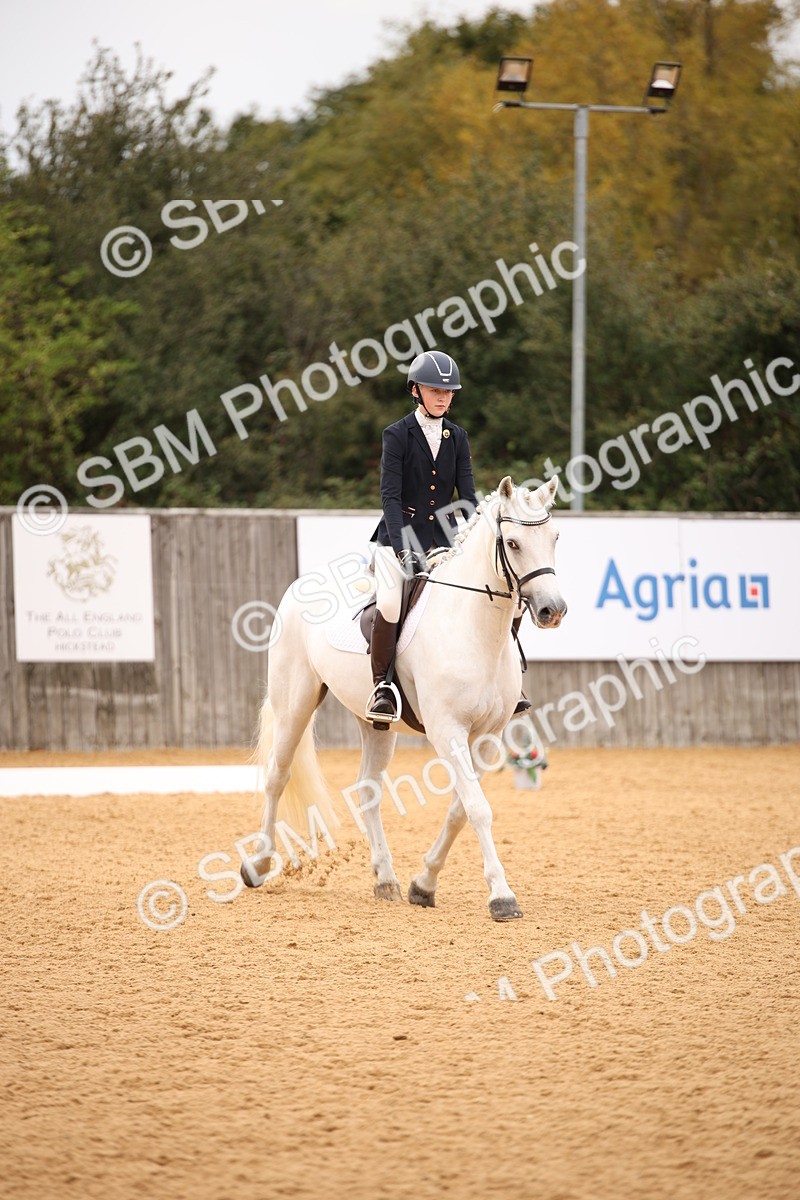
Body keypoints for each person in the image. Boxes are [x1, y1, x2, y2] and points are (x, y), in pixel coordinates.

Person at [364, 349, 530, 726]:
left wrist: (469, 542)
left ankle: (508, 684)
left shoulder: (458, 437)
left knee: (511, 599)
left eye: (448, 391)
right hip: (396, 540)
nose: (443, 397)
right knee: (390, 602)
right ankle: (382, 687)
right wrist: (403, 548)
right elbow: (390, 497)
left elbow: (469, 498)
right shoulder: (397, 434)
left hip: (443, 541)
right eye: (434, 390)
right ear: (415, 391)